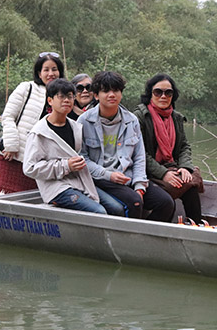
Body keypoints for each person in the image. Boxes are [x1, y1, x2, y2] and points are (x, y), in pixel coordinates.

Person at [78, 71, 175, 222]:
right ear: (96, 95)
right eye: (106, 91)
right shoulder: (84, 121)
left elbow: (139, 156)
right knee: (134, 203)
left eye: (116, 90)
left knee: (166, 203)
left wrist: (139, 185)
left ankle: (147, 238)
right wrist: (108, 175)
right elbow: (82, 159)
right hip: (100, 179)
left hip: (127, 177)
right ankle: (132, 241)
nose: (112, 95)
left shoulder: (131, 120)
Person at [22, 79, 124, 215]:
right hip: (56, 187)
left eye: (70, 96)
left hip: (80, 181)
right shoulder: (39, 133)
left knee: (117, 208)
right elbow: (30, 168)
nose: (66, 100)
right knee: (98, 211)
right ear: (50, 100)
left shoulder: (75, 126)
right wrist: (65, 166)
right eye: (61, 96)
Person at [0, 51, 64, 193]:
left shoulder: (64, 95)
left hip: (42, 161)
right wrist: (11, 146)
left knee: (34, 201)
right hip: (16, 156)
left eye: (54, 69)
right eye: (46, 69)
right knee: (9, 199)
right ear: (39, 72)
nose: (51, 74)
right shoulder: (26, 88)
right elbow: (8, 116)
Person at [133, 74, 203, 224]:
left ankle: (197, 227)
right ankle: (154, 234)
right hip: (147, 173)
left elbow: (184, 146)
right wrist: (163, 173)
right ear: (150, 94)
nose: (163, 96)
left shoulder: (176, 117)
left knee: (190, 183)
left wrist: (185, 167)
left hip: (172, 167)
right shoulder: (139, 117)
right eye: (158, 92)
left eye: (168, 93)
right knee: (166, 201)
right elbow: (139, 153)